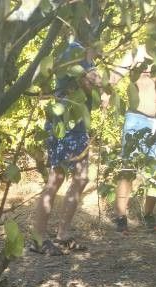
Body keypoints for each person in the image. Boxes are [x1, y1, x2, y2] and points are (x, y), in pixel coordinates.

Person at [31, 40, 99, 255]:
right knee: (56, 178)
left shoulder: (86, 56)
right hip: (64, 125)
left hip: (77, 126)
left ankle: (63, 235)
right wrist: (107, 80)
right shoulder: (74, 51)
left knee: (81, 178)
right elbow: (91, 83)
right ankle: (38, 239)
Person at [113, 52, 156, 233]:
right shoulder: (136, 52)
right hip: (136, 119)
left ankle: (148, 215)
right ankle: (121, 217)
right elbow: (114, 75)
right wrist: (106, 94)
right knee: (128, 170)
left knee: (155, 172)